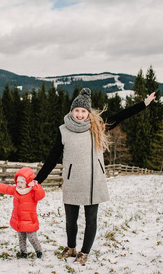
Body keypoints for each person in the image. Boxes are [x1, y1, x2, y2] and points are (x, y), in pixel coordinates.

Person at [30, 88, 156, 265]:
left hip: (93, 181)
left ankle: (85, 252)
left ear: (88, 113)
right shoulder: (63, 130)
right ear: (71, 111)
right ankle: (71, 247)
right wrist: (38, 179)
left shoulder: (98, 126)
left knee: (91, 219)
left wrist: (144, 104)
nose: (80, 114)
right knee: (70, 220)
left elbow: (122, 115)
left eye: (83, 111)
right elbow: (52, 157)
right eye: (77, 111)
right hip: (72, 180)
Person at [0, 167, 46, 258]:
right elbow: (4, 188)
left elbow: (41, 195)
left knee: (32, 238)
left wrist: (36, 186)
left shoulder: (32, 192)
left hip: (29, 221)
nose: (19, 184)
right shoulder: (15, 190)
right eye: (18, 182)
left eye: (22, 182)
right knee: (21, 238)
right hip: (18, 220)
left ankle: (38, 251)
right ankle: (23, 252)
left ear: (28, 182)